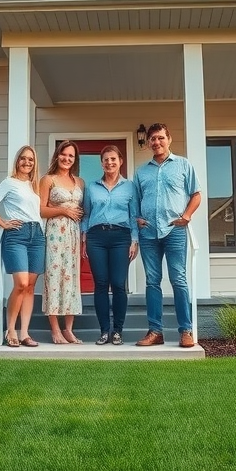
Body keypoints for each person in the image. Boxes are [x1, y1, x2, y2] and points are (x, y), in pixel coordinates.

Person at [133, 123, 201, 348]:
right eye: (152, 139)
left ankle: (186, 331)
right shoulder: (141, 172)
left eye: (161, 138)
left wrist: (187, 216)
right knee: (152, 282)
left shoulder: (183, 165)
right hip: (148, 233)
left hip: (175, 231)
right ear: (149, 142)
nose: (156, 142)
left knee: (178, 279)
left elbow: (196, 195)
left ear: (169, 139)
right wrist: (138, 219)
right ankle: (155, 332)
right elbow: (136, 200)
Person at [0, 146, 44, 348]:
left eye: (31, 160)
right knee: (21, 283)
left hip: (37, 236)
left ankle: (25, 333)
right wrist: (4, 223)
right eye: (23, 159)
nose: (27, 162)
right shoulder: (9, 182)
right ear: (17, 161)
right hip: (17, 235)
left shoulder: (33, 187)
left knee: (31, 286)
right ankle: (11, 330)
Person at [81, 145, 139, 346]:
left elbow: (134, 216)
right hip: (96, 237)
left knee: (118, 283)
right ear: (102, 163)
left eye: (113, 159)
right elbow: (86, 214)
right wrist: (84, 237)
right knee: (101, 284)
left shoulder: (130, 187)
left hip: (121, 237)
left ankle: (118, 331)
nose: (109, 163)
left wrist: (134, 240)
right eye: (106, 159)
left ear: (120, 161)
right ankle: (104, 330)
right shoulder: (91, 187)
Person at [39, 140, 85, 344]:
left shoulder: (80, 182)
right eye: (64, 154)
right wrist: (64, 210)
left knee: (71, 279)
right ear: (57, 155)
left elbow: (83, 211)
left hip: (73, 235)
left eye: (71, 156)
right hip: (55, 234)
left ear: (75, 160)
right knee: (54, 277)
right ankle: (55, 330)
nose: (67, 159)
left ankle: (68, 329)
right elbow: (40, 210)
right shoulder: (48, 180)